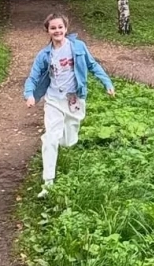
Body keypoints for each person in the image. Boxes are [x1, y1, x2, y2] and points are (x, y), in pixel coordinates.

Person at [23, 12, 115, 196]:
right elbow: (32, 77)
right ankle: (48, 183)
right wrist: (29, 95)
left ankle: (61, 143)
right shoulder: (44, 55)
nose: (57, 30)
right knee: (51, 138)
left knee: (68, 140)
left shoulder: (78, 47)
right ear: (48, 31)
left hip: (74, 100)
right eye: (53, 28)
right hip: (53, 100)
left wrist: (107, 83)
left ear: (66, 28)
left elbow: (93, 65)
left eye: (60, 27)